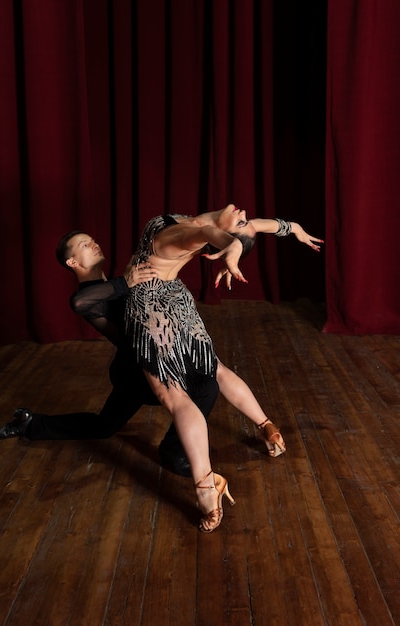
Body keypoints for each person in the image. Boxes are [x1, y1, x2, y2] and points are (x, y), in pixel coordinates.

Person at [123, 204, 323, 532]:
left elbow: (206, 233)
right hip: (177, 299)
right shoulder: (208, 224)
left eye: (239, 224)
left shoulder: (191, 233)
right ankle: (268, 428)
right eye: (242, 219)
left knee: (171, 394)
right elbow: (257, 225)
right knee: (217, 369)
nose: (243, 214)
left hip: (149, 306)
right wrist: (294, 227)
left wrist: (231, 247)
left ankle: (205, 486)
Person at [0, 231, 219, 478]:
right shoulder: (96, 293)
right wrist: (125, 283)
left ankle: (30, 423)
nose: (94, 244)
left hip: (133, 368)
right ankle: (174, 452)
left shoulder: (115, 284)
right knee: (205, 388)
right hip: (136, 375)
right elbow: (79, 303)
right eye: (84, 245)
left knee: (104, 426)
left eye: (93, 240)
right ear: (73, 262)